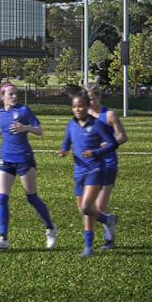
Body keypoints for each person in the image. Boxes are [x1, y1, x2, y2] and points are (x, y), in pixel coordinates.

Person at [0, 82, 57, 249]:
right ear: (2, 96)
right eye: (10, 94)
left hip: (24, 159)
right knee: (2, 198)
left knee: (31, 197)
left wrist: (25, 128)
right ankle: (3, 238)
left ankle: (50, 228)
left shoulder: (24, 111)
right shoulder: (1, 112)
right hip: (6, 159)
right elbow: (1, 128)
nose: (14, 96)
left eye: (15, 93)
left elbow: (39, 130)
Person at [58, 88, 120, 256]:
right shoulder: (71, 124)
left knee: (87, 206)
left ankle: (107, 220)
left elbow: (113, 143)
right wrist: (64, 151)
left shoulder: (97, 124)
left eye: (81, 106)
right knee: (84, 211)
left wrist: (96, 152)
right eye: (75, 107)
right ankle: (88, 247)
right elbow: (66, 142)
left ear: (87, 106)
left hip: (95, 169)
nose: (78, 109)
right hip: (78, 171)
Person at [80, 84, 126, 248]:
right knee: (87, 205)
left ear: (99, 97)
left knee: (99, 205)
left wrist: (110, 143)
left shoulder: (109, 115)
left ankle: (109, 240)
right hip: (91, 164)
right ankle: (100, 234)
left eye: (92, 99)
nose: (89, 103)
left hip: (108, 163)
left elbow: (122, 136)